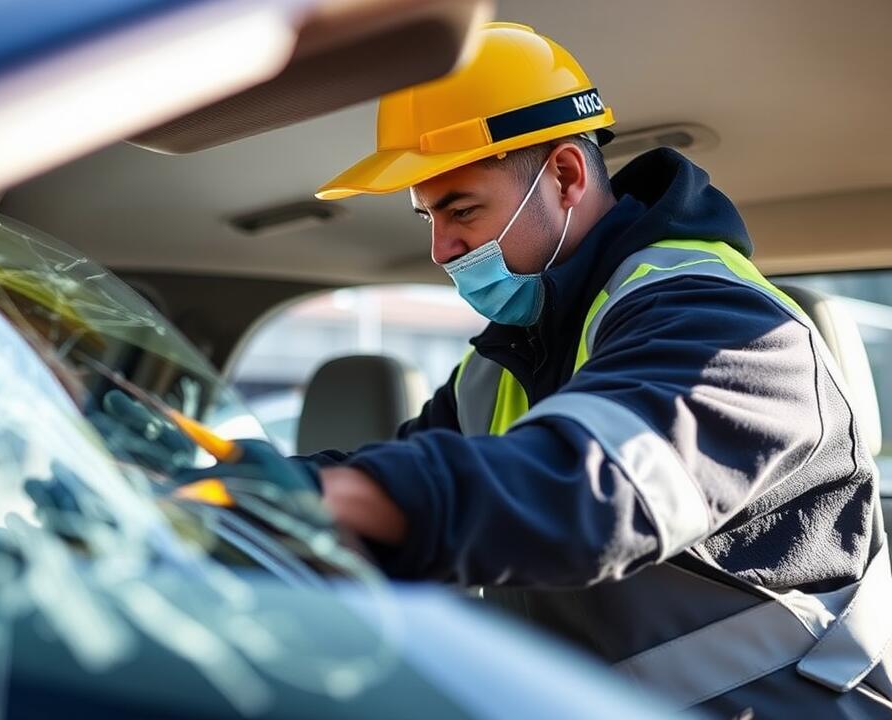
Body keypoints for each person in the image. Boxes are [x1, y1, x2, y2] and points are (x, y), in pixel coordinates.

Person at [295, 21, 890, 717]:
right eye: (428, 216)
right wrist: (231, 488)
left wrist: (328, 497)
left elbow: (593, 487)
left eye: (460, 209)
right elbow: (409, 466)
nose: (441, 247)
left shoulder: (726, 324)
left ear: (567, 176)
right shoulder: (505, 359)